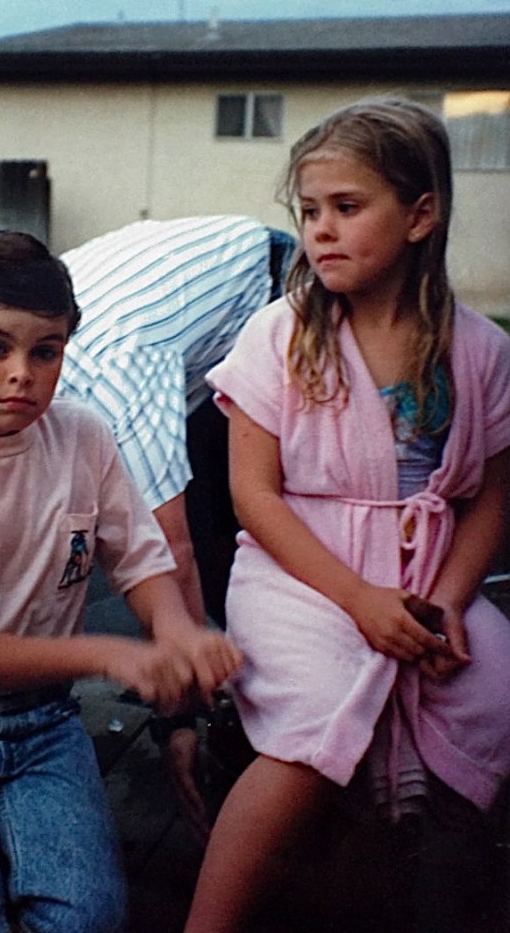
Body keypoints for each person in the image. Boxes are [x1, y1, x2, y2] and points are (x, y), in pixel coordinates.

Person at [184, 98, 510, 932]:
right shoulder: (279, 337)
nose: (321, 230)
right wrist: (358, 600)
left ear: (421, 215)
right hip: (301, 571)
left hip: (429, 572)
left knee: (490, 691)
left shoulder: (479, 352)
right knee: (321, 722)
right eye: (309, 211)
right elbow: (252, 496)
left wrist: (451, 597)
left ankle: (424, 891)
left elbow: (492, 493)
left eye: (348, 207)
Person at [0, 230, 242, 933]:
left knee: (88, 918)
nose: (22, 373)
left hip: (45, 722)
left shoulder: (83, 436)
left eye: (47, 351)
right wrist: (112, 653)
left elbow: (141, 556)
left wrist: (181, 631)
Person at [56, 215, 294, 839]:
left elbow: (168, 550)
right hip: (175, 335)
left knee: (250, 531)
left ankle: (261, 723)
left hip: (268, 289)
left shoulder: (111, 379)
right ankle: (231, 699)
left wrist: (176, 719)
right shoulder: (43, 375)